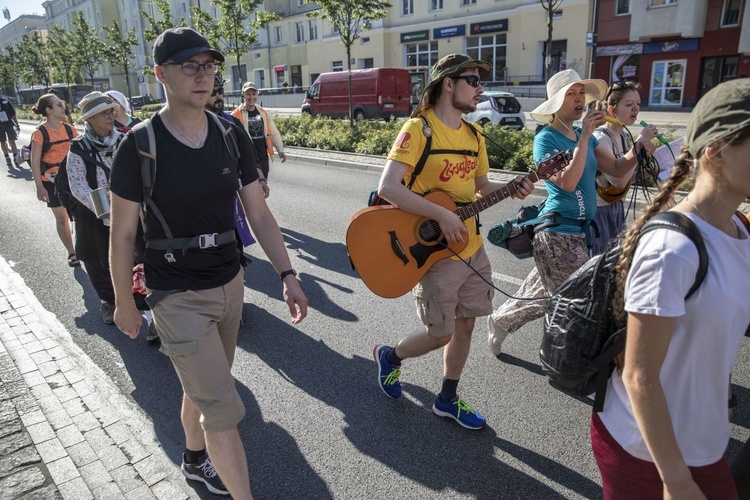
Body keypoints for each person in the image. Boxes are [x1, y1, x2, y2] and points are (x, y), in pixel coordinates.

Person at [109, 28, 308, 499]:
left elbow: (258, 212)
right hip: (175, 291)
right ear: (159, 74)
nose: (203, 76)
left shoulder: (229, 132)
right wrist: (123, 302)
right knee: (221, 406)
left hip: (229, 281)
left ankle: (195, 460)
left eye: (208, 66)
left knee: (202, 386)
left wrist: (288, 274)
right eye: (188, 66)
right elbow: (121, 233)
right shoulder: (138, 146)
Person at [591, 78, 750, 499]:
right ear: (715, 151)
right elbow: (639, 374)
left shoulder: (739, 232)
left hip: (704, 441)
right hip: (647, 452)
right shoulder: (673, 248)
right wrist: (675, 479)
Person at [372, 54, 534, 430]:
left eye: (480, 82)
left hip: (471, 246)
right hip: (435, 251)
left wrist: (512, 189)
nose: (480, 89)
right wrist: (441, 215)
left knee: (466, 325)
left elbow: (480, 187)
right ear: (449, 83)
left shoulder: (474, 136)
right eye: (473, 81)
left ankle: (447, 398)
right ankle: (390, 357)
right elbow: (388, 187)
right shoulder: (419, 129)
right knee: (439, 332)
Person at [487, 69, 653, 358]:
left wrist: (639, 146)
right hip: (555, 233)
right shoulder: (546, 139)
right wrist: (586, 137)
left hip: (581, 232)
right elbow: (567, 181)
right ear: (556, 103)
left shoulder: (581, 134)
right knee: (581, 300)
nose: (580, 99)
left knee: (543, 297)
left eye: (581, 93)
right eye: (571, 94)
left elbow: (615, 169)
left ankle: (501, 321)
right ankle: (575, 366)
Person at [590, 81, 658, 255]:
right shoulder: (601, 137)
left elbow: (627, 177)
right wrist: (638, 145)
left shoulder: (623, 136)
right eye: (629, 104)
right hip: (599, 211)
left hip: (616, 207)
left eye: (638, 104)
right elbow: (617, 180)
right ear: (612, 110)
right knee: (600, 263)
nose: (635, 109)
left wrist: (652, 169)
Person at [29, 93, 80, 267]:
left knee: (80, 215)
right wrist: (39, 186)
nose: (63, 106)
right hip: (51, 182)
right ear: (49, 110)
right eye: (59, 105)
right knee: (62, 218)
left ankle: (83, 248)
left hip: (72, 178)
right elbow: (34, 162)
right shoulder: (40, 133)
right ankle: (72, 253)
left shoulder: (69, 129)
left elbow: (81, 151)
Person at [231, 81, 286, 198]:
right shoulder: (235, 115)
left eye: (253, 94)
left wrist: (280, 149)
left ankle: (258, 212)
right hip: (246, 158)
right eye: (248, 94)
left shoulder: (263, 113)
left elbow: (274, 132)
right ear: (243, 96)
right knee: (250, 190)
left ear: (257, 95)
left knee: (262, 186)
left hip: (262, 157)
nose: (251, 97)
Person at [0, 94, 20, 168]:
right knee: (3, 141)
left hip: (9, 123)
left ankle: (15, 158)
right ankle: (7, 157)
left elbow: (13, 114)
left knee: (12, 141)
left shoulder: (6, 102)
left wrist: (17, 124)